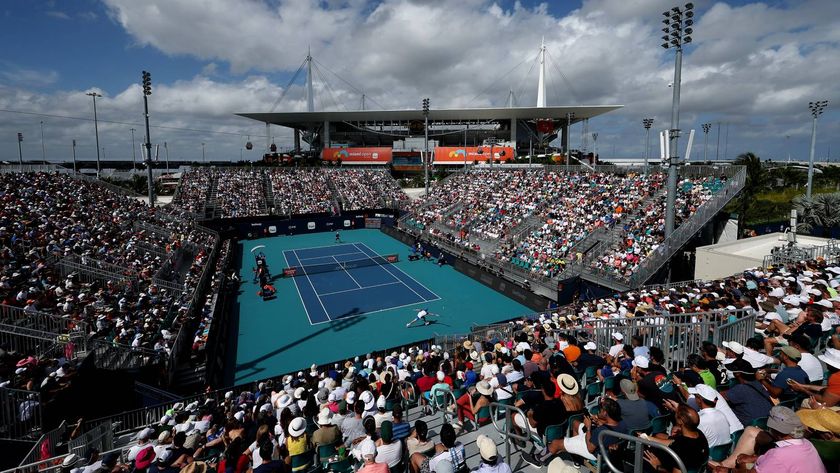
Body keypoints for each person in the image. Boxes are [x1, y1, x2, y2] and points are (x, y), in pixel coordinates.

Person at [641, 404, 709, 473]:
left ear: (680, 421)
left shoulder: (682, 449)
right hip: (665, 456)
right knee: (659, 435)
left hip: (656, 465)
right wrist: (647, 438)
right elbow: (675, 442)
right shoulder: (699, 434)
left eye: (676, 414)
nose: (675, 415)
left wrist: (658, 466)